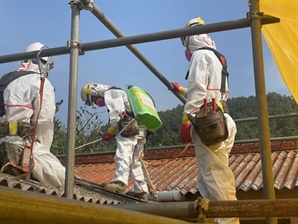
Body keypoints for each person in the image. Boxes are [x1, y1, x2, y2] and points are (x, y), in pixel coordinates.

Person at [171, 17, 239, 224]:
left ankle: (228, 221)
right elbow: (211, 92)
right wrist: (182, 90)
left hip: (208, 123)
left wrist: (185, 119)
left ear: (189, 39)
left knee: (214, 176)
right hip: (222, 118)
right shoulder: (218, 57)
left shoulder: (199, 55)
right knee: (209, 177)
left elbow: (199, 90)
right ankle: (218, 219)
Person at [0, 42, 65, 187]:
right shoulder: (40, 82)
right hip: (19, 144)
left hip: (2, 139)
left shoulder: (4, 79)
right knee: (63, 178)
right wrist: (43, 152)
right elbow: (44, 123)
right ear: (46, 64)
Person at [81, 83, 149, 201]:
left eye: (93, 99)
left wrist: (111, 132)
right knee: (134, 160)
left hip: (129, 126)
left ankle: (120, 183)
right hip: (142, 127)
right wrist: (111, 132)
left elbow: (118, 116)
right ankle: (141, 190)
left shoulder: (110, 93)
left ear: (93, 91)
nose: (96, 102)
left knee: (123, 154)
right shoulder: (118, 92)